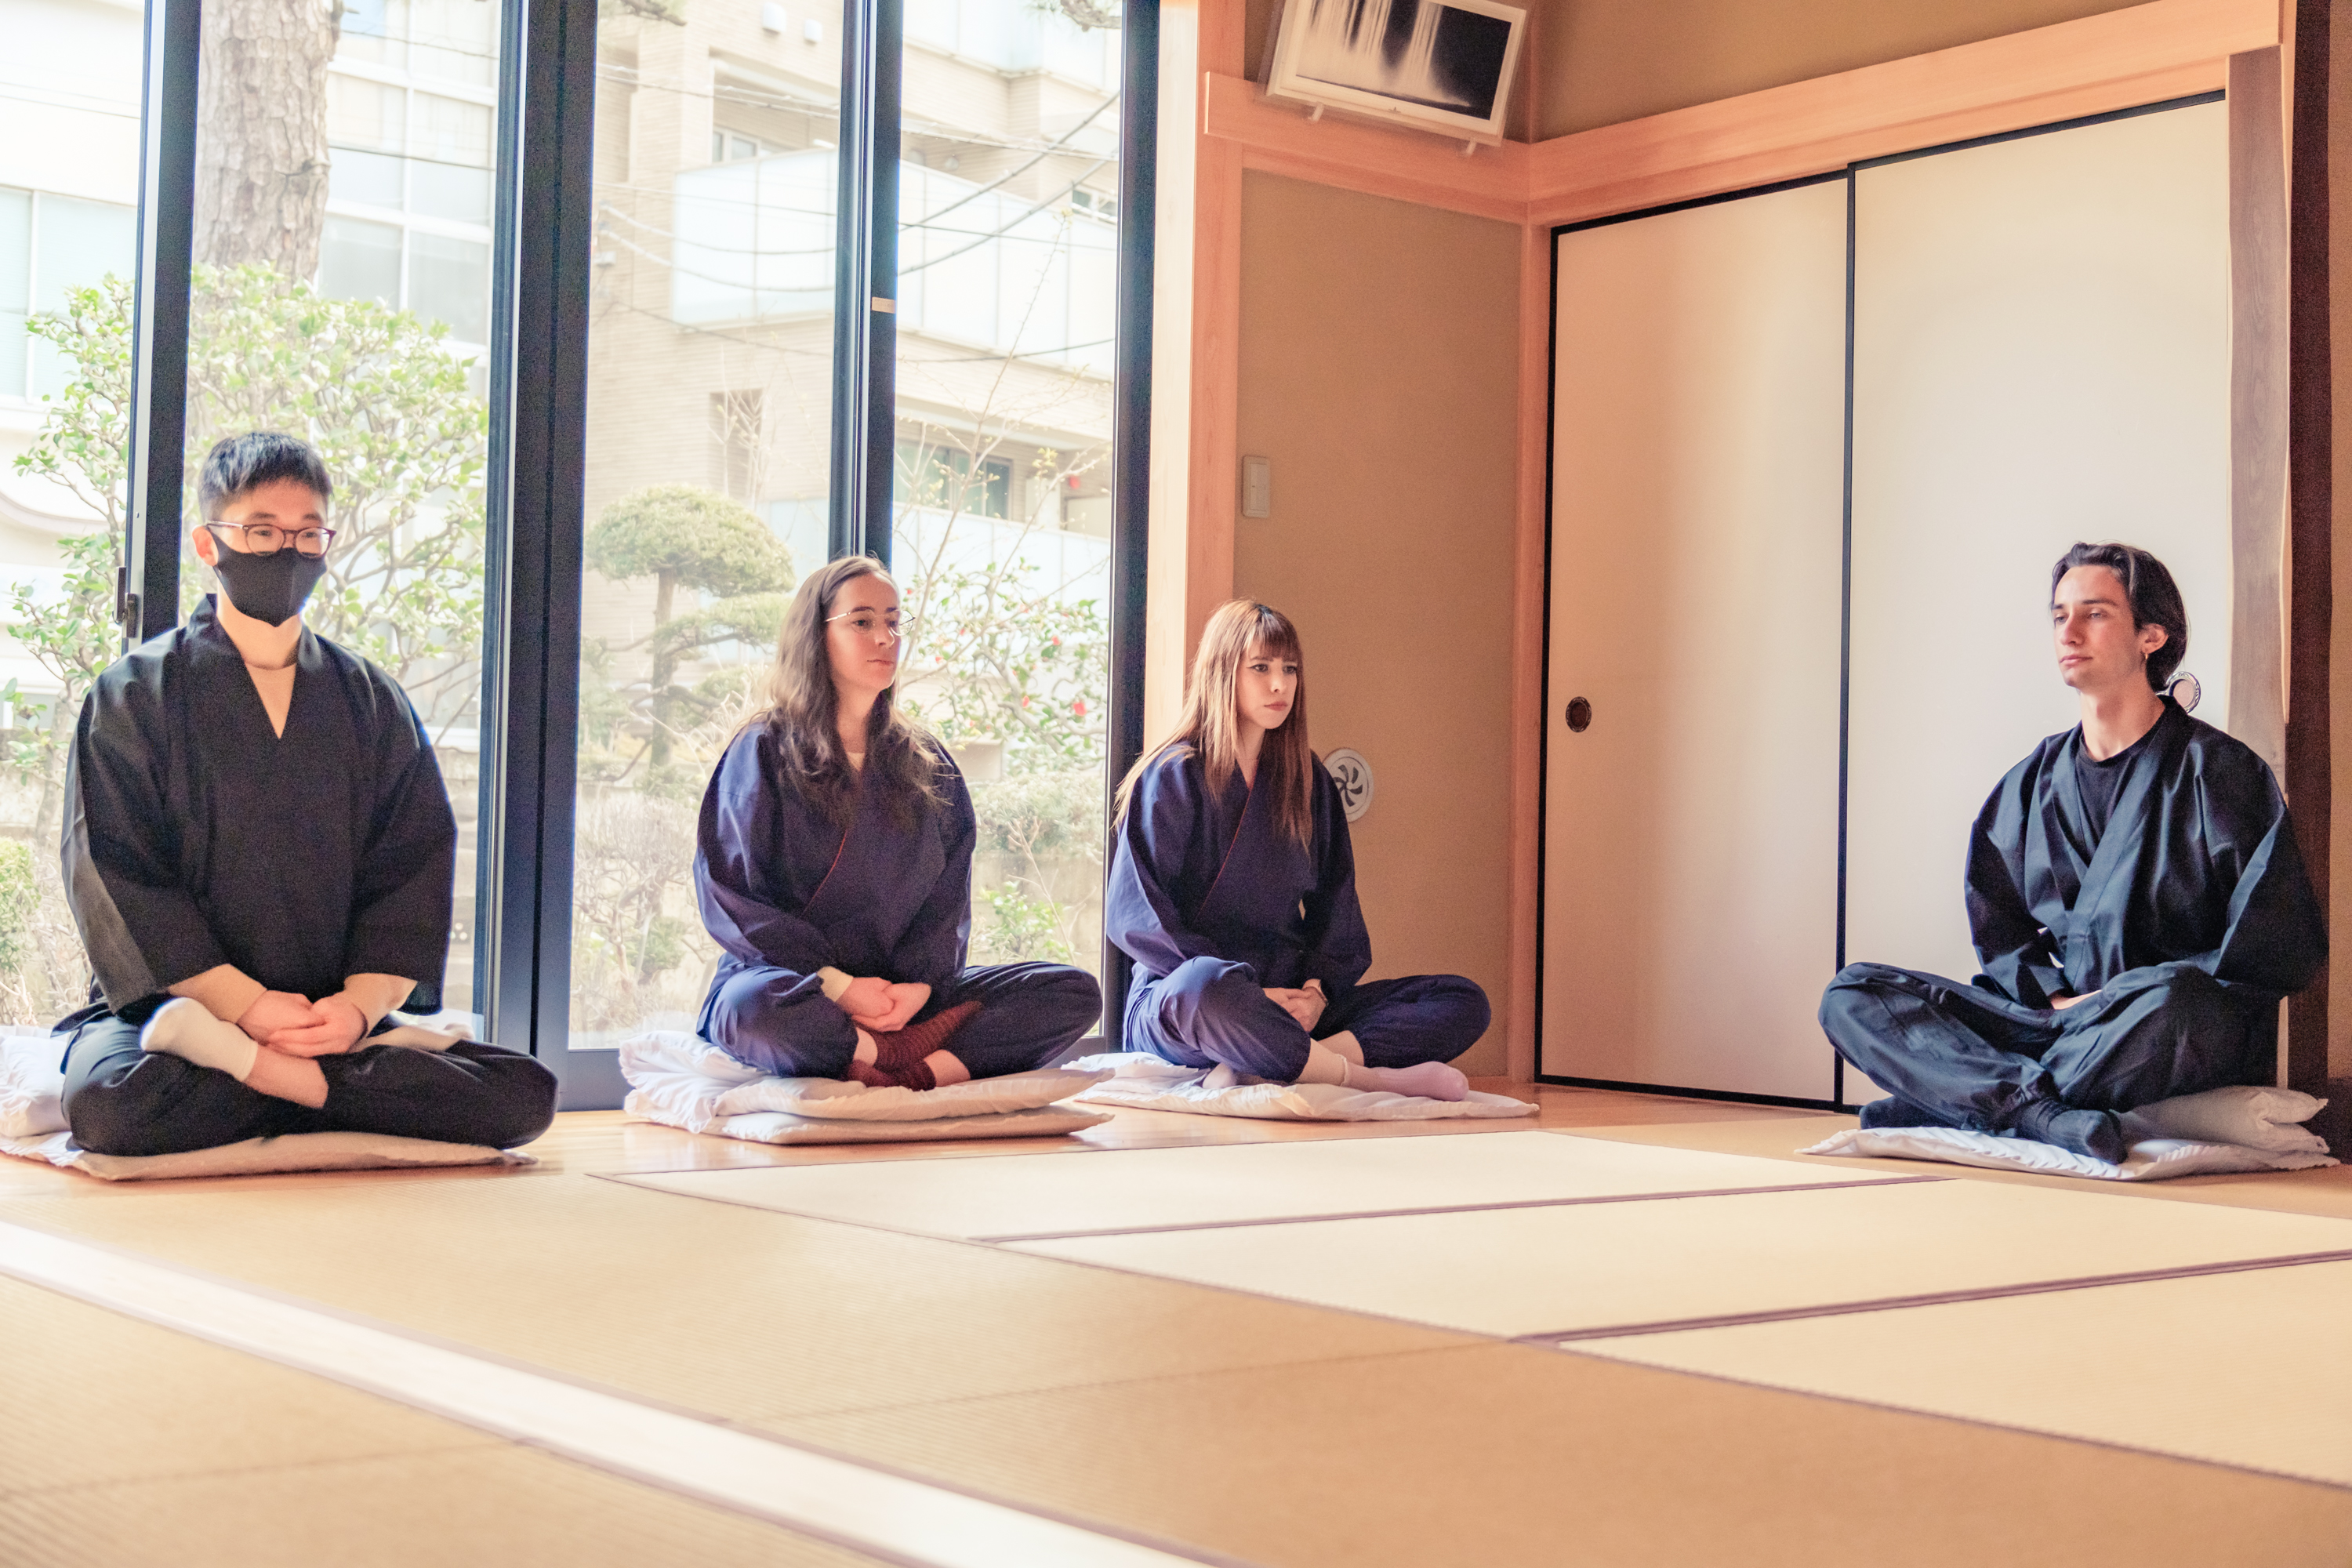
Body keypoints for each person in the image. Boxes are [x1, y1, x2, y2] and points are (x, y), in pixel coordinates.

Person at [58, 432, 557, 1156]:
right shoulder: (133, 696)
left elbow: (411, 867)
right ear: (208, 543)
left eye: (307, 534)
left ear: (328, 543)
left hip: (330, 1020)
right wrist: (248, 1008)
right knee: (113, 1107)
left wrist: (355, 1013)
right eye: (260, 532)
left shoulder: (371, 700)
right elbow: (116, 870)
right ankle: (337, 1095)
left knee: (525, 1094)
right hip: (176, 1016)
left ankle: (286, 1081)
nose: (286, 552)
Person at [1820, 542, 2326, 1162]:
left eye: (2095, 613)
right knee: (1854, 993)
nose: (2070, 631)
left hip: (2149, 1027)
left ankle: (1964, 1096)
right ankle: (2035, 1110)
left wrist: (2124, 999)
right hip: (2052, 1020)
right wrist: (2054, 997)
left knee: (2179, 1001)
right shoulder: (2034, 781)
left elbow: (2273, 943)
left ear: (2152, 635)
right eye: (2060, 615)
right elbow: (1999, 922)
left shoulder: (2218, 771)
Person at [695, 555, 1102, 1088]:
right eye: (862, 622)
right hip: (795, 985)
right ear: (815, 637)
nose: (884, 637)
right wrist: (841, 989)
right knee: (753, 1011)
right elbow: (734, 899)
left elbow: (946, 902)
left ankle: (912, 1071)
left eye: (893, 621)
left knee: (1071, 992)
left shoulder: (924, 759)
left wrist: (921, 992)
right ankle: (895, 1057)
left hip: (903, 997)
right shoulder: (762, 750)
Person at [1105, 598, 1490, 1100]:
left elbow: (1337, 904)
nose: (1280, 685)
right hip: (1190, 1000)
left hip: (1290, 999)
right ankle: (1358, 1076)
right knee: (1205, 986)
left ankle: (1269, 1062)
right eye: (1261, 668)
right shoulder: (1172, 775)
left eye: (1289, 669)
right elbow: (1138, 915)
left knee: (1461, 1000)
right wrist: (1248, 995)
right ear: (1224, 673)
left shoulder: (1308, 780)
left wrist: (1314, 993)